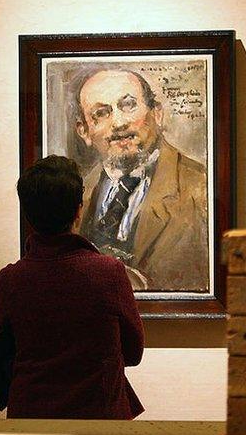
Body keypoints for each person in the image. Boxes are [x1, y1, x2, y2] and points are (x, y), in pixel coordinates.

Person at [0, 155, 145, 419]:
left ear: (27, 215)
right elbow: (132, 352)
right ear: (78, 210)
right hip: (99, 421)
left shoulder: (10, 279)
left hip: (31, 424)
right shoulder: (108, 273)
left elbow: (6, 354)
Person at [73, 68, 208, 292]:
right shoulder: (76, 192)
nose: (118, 123)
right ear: (84, 131)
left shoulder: (200, 187)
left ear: (157, 113)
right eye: (101, 113)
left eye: (128, 105)